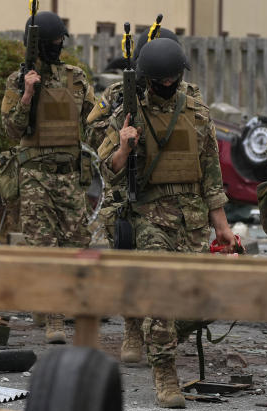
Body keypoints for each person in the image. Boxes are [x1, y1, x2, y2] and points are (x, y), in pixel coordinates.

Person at [97, 38, 235, 409]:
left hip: (190, 218)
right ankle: (165, 373)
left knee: (196, 299)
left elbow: (210, 169)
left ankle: (155, 335)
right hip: (149, 216)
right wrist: (124, 147)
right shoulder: (130, 108)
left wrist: (220, 224)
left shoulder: (194, 107)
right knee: (160, 298)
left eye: (175, 78)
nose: (169, 84)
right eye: (162, 79)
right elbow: (106, 171)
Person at [85, 26, 200, 364]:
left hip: (170, 194)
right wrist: (122, 122)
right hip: (123, 191)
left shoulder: (188, 96)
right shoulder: (117, 93)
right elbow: (93, 133)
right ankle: (134, 328)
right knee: (129, 267)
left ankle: (163, 330)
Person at [0, 11, 96, 345]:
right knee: (45, 245)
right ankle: (54, 316)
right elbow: (12, 129)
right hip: (35, 175)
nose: (57, 47)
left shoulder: (77, 78)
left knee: (77, 244)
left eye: (60, 42)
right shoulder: (18, 79)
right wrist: (27, 94)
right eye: (52, 43)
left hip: (69, 175)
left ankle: (70, 305)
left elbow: (94, 122)